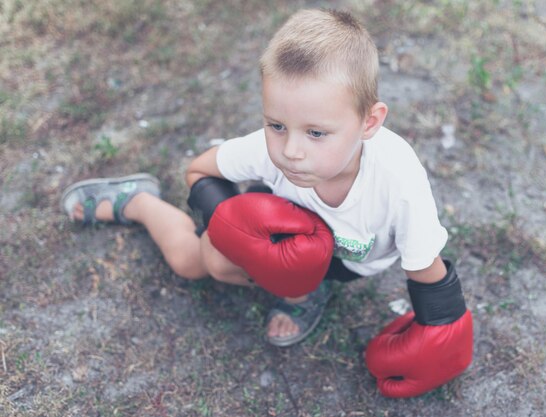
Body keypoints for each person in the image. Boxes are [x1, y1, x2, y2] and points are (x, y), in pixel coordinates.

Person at [62, 9, 472, 397]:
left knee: (280, 263)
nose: (291, 150)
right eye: (277, 125)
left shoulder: (398, 180)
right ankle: (140, 203)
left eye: (316, 133)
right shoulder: (268, 150)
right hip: (272, 228)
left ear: (369, 122)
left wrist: (443, 328)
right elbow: (199, 172)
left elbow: (425, 268)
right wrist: (230, 227)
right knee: (196, 263)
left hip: (345, 263)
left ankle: (306, 289)